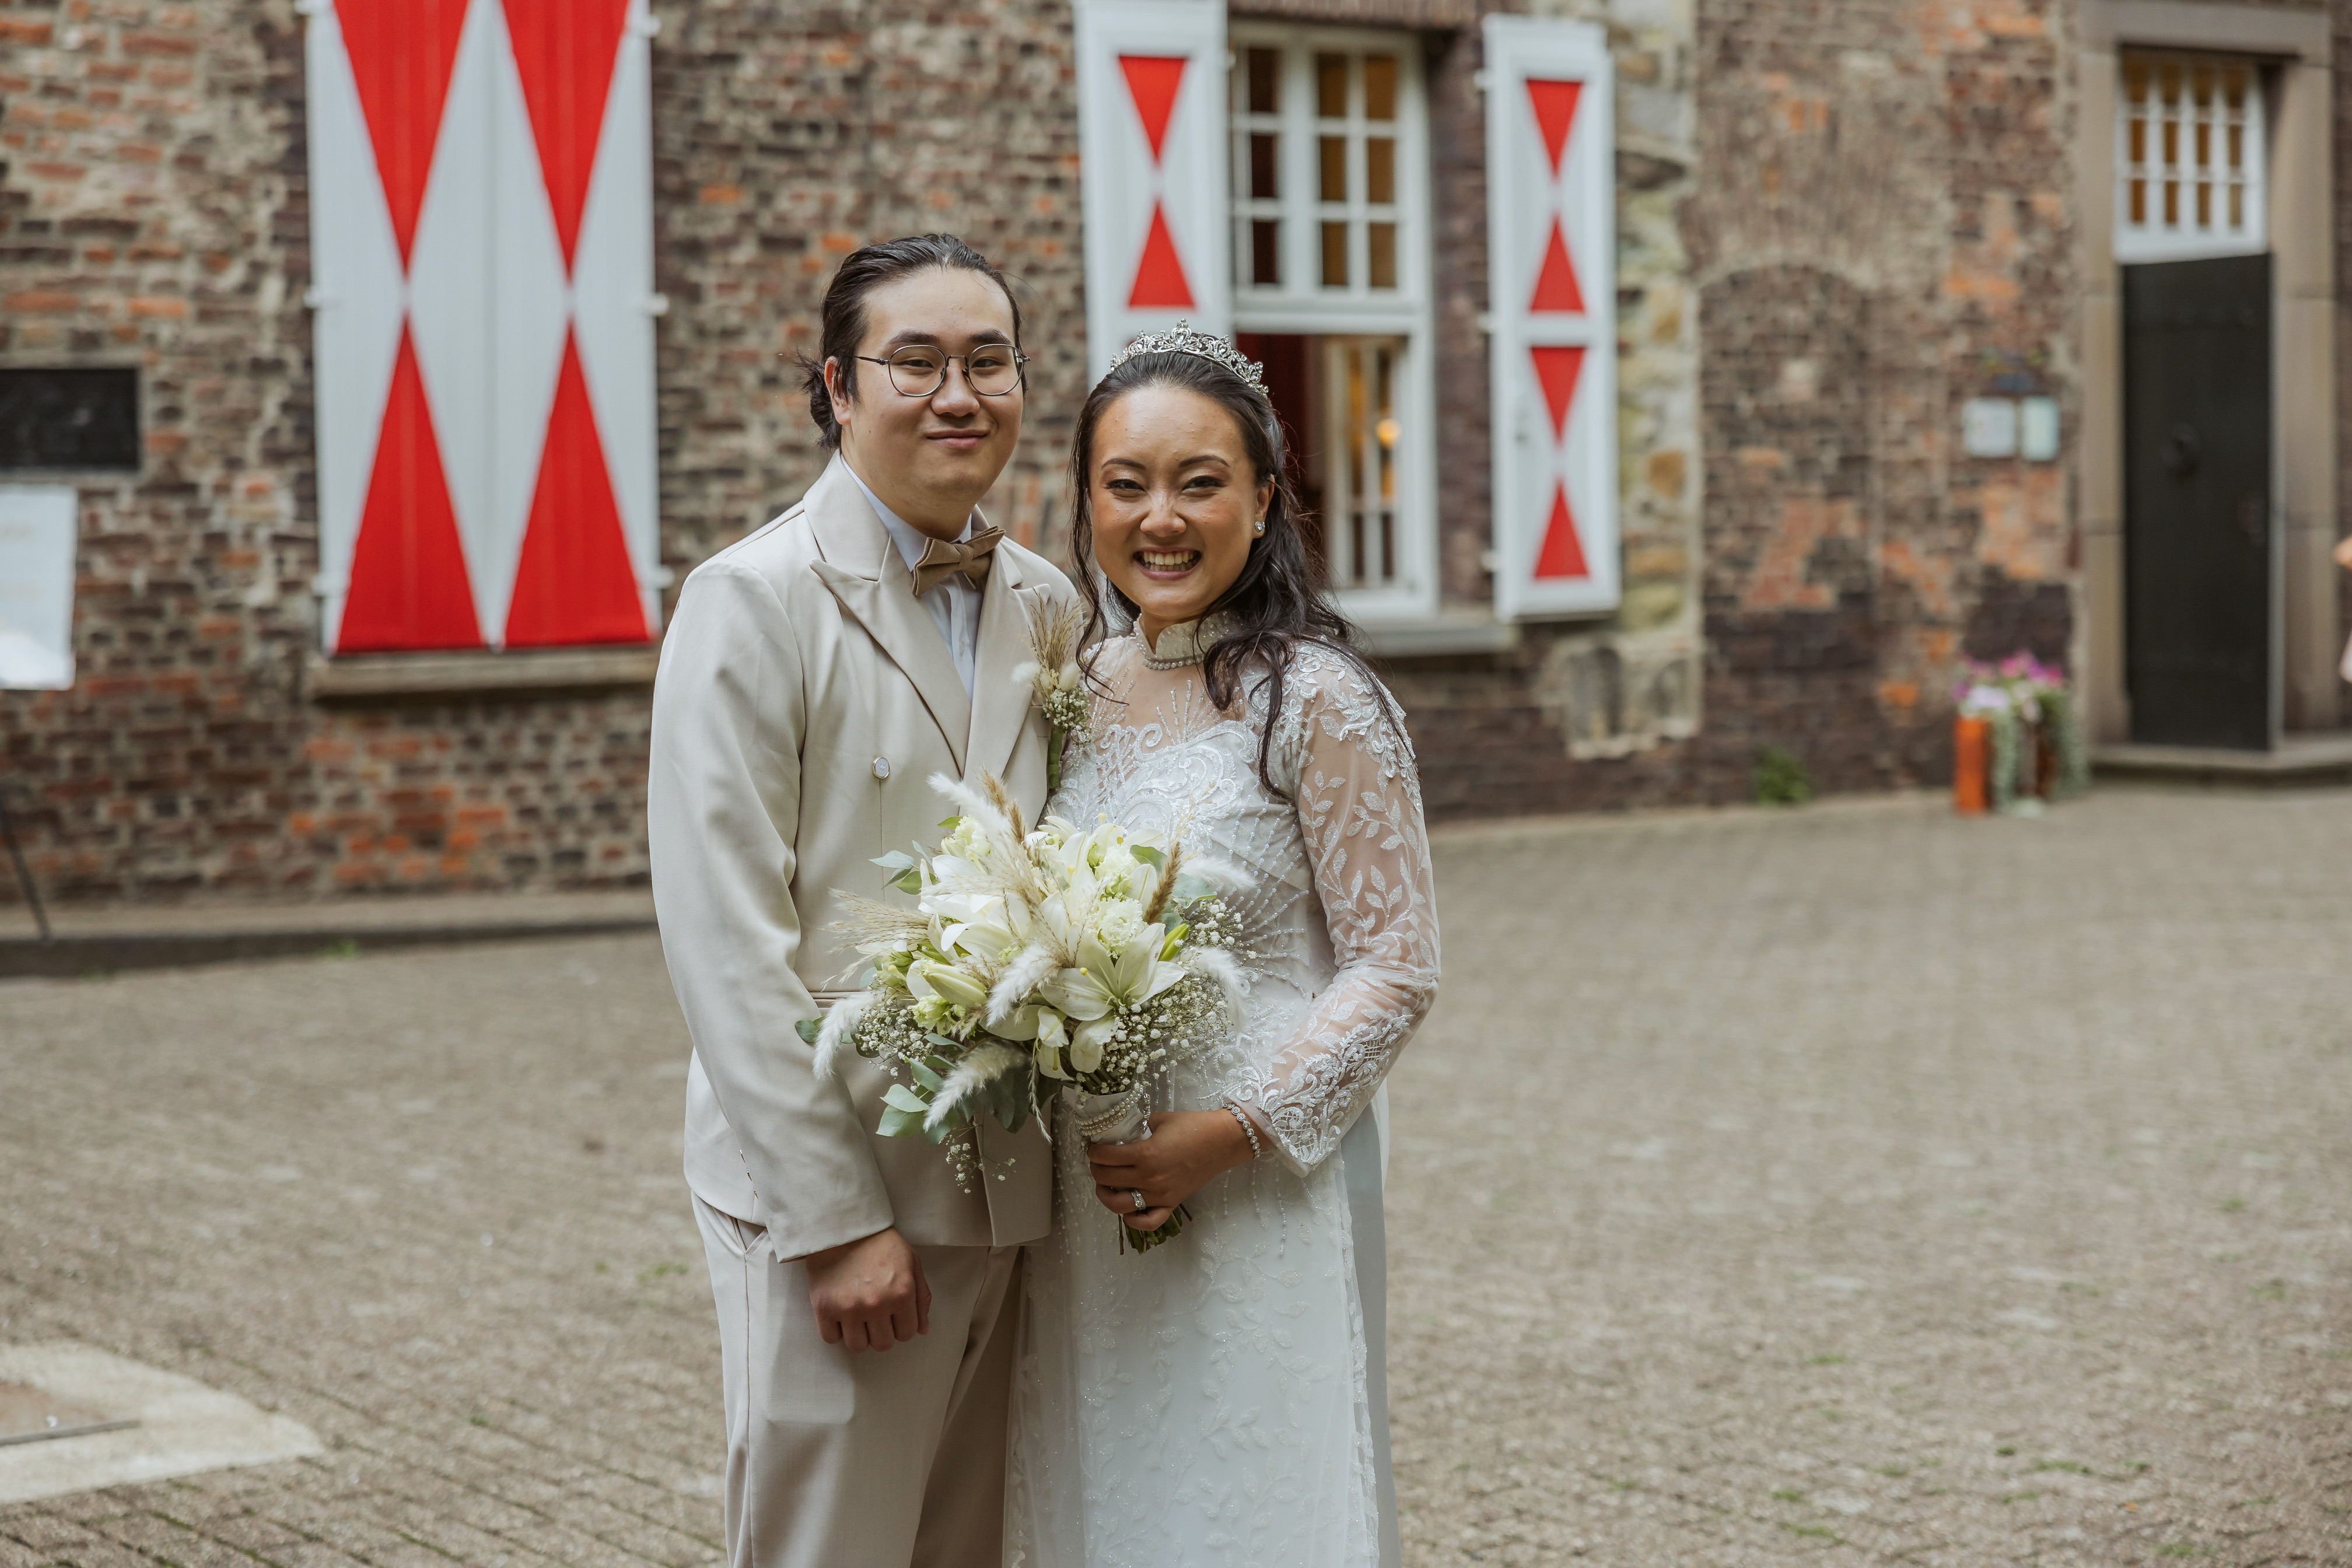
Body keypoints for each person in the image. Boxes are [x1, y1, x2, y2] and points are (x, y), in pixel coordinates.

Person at [649, 234, 1079, 1568]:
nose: (960, 395)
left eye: (989, 361)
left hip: (1007, 1191)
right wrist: (837, 1223)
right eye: (916, 362)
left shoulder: (1049, 607)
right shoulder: (750, 601)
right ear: (838, 388)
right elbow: (727, 942)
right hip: (837, 1201)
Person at [1006, 327, 1442, 1567]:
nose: (1162, 518)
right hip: (1091, 1187)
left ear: (1263, 499)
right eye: (1126, 484)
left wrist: (1233, 1132)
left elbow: (1397, 966)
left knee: (1244, 1493)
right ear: (1087, 501)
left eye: (1200, 483)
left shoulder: (1321, 699)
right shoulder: (1072, 690)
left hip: (1253, 1179)